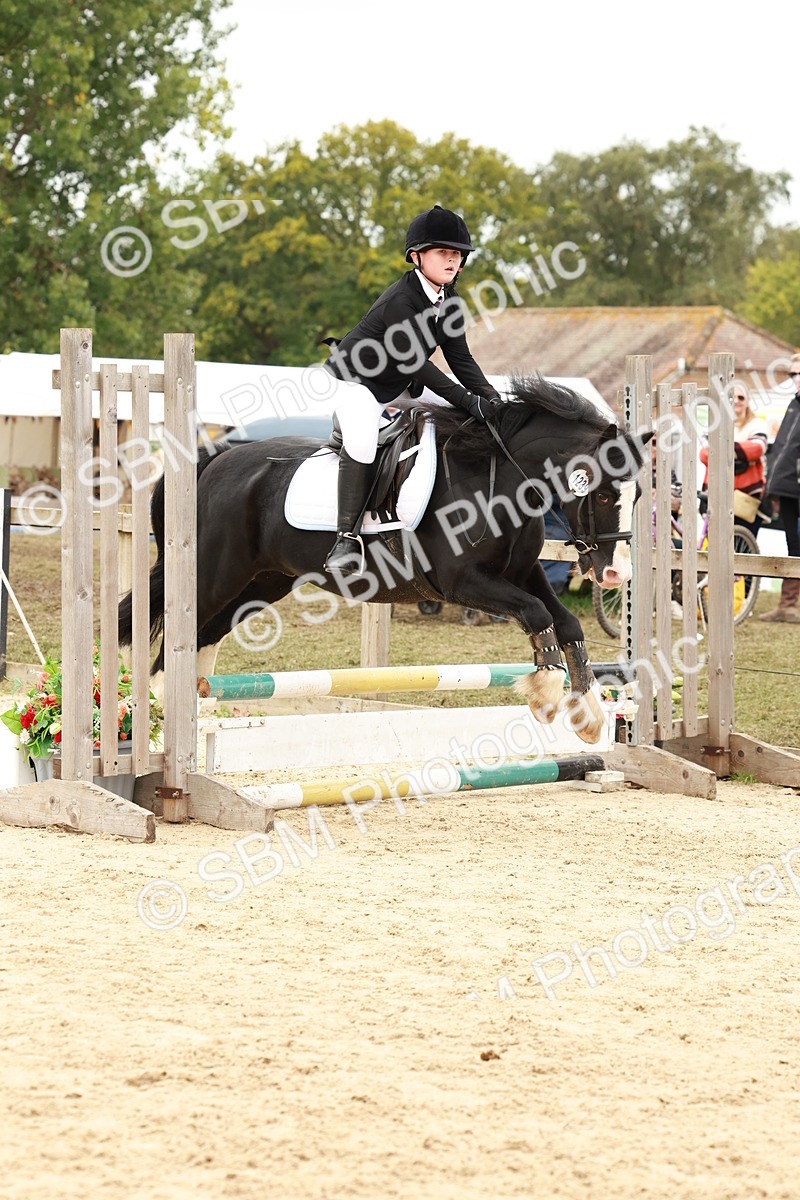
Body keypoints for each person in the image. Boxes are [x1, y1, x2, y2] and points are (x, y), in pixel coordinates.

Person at [322, 205, 503, 574]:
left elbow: (461, 359)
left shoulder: (449, 301)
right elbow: (415, 364)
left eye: (457, 254)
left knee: (466, 417)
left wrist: (491, 400)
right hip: (358, 383)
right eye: (443, 253)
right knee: (362, 442)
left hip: (400, 384)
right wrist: (470, 401)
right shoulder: (400, 300)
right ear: (416, 256)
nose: (452, 260)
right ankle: (346, 540)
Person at [759, 353, 800, 622]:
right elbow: (784, 446)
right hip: (785, 486)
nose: (795, 379)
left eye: (799, 373)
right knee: (792, 543)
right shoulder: (793, 404)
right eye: (792, 374)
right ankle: (788, 604)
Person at [699, 383, 768, 538]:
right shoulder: (714, 425)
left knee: (743, 544)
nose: (736, 400)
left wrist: (721, 451)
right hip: (716, 493)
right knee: (715, 542)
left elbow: (757, 448)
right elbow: (704, 454)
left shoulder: (757, 424)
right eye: (732, 397)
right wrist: (741, 454)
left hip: (746, 496)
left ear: (748, 401)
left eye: (741, 397)